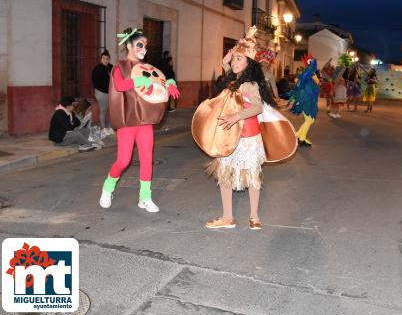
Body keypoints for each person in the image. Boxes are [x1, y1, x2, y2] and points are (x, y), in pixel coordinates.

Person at [195, 26, 296, 230]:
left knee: (252, 177)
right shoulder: (234, 80)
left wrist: (236, 116)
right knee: (225, 174)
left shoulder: (250, 83)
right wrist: (225, 62)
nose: (234, 62)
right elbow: (228, 77)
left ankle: (254, 217)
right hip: (230, 136)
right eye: (234, 59)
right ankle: (227, 217)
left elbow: (258, 107)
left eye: (239, 59)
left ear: (249, 63)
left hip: (248, 137)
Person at [98, 27, 180, 213]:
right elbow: (119, 86)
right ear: (129, 45)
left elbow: (156, 85)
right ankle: (108, 187)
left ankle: (145, 197)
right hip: (128, 121)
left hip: (145, 120)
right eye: (139, 44)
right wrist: (137, 82)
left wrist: (167, 84)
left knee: (146, 159)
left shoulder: (148, 68)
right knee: (124, 161)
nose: (144, 48)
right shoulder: (120, 66)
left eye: (145, 45)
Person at [290, 54, 319, 146]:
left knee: (310, 120)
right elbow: (300, 82)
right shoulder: (308, 71)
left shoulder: (311, 72)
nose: (313, 63)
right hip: (306, 99)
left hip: (311, 98)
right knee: (309, 120)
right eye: (311, 61)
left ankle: (297, 135)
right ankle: (301, 138)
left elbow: (316, 84)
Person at [92, 50, 114, 137]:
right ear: (101, 59)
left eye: (107, 59)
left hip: (111, 93)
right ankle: (103, 129)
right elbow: (95, 83)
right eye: (103, 58)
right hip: (101, 93)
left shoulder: (111, 67)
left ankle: (110, 128)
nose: (105, 60)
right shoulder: (97, 69)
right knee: (103, 110)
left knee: (112, 111)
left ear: (109, 59)